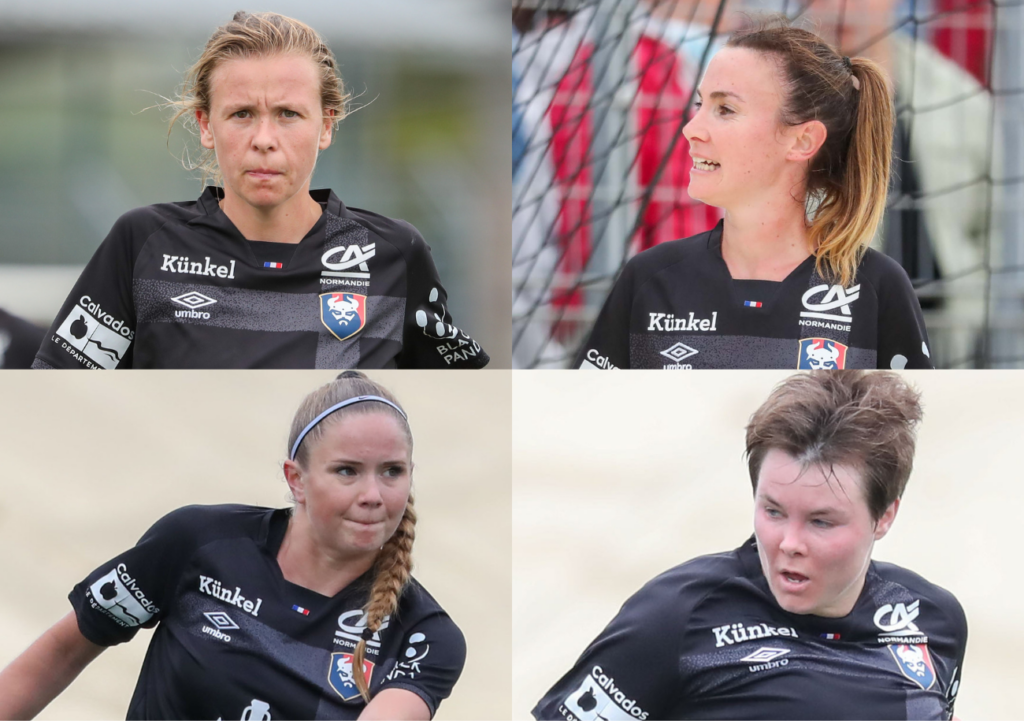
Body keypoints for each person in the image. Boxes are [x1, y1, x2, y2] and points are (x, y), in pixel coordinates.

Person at [32, 11, 488, 370]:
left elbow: (460, 413)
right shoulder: (142, 244)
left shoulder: (394, 255)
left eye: (288, 114)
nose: (264, 139)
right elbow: (54, 400)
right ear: (206, 125)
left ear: (326, 125)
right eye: (242, 114)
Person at [0, 371, 466, 719]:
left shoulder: (426, 635)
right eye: (347, 471)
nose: (373, 495)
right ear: (296, 479)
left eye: (392, 471)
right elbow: (61, 652)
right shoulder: (196, 543)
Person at [533, 371, 966, 720]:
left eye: (821, 521)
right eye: (774, 512)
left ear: (884, 516)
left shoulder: (935, 619)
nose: (789, 543)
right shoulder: (677, 614)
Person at [573, 14, 932, 370]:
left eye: (725, 109)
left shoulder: (875, 288)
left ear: (803, 140)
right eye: (701, 105)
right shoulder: (650, 280)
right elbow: (589, 421)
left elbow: (912, 424)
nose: (691, 129)